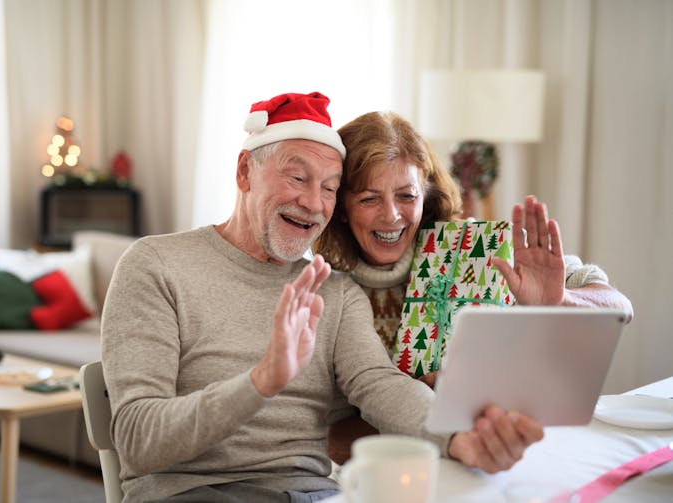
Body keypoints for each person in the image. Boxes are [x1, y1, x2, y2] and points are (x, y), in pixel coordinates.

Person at [101, 92, 544, 503]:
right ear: (243, 172)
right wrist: (260, 382)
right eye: (298, 177)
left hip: (316, 495)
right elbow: (139, 442)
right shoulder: (156, 264)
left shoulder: (334, 290)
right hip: (193, 494)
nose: (314, 203)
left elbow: (383, 385)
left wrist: (461, 438)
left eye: (330, 188)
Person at [312, 110, 634, 464]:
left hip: (506, 453)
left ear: (426, 195)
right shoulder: (324, 288)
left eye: (406, 196)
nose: (391, 215)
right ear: (341, 206)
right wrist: (430, 407)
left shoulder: (477, 246)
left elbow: (620, 309)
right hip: (396, 468)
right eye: (369, 199)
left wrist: (560, 300)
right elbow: (326, 437)